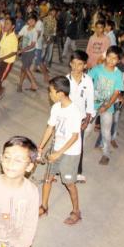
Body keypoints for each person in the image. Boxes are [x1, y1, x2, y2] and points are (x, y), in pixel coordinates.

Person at [38, 76, 83, 225]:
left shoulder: (74, 111)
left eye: (51, 92)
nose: (49, 94)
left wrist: (58, 153)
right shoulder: (56, 107)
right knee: (47, 178)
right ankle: (44, 206)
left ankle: (76, 211)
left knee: (69, 183)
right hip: (56, 147)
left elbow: (74, 137)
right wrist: (41, 146)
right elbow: (50, 128)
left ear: (61, 93)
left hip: (70, 153)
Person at [88, 46, 124, 165]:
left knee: (106, 132)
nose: (111, 60)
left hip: (108, 107)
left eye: (115, 58)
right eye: (109, 57)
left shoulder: (118, 74)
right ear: (106, 56)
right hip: (93, 105)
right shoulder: (97, 69)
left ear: (118, 61)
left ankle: (106, 154)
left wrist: (107, 106)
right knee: (87, 128)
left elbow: (116, 93)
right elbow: (87, 81)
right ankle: (77, 151)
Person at [66, 50, 95, 184]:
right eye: (74, 64)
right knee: (65, 143)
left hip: (81, 119)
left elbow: (90, 101)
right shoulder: (66, 80)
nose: (76, 67)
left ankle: (78, 172)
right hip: (67, 118)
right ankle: (63, 169)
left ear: (85, 66)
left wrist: (87, 120)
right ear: (70, 64)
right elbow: (61, 100)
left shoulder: (88, 80)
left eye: (80, 64)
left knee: (79, 146)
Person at [0, 17, 19, 103]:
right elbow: (0, 47)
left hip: (7, 62)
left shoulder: (14, 38)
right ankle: (1, 88)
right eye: (5, 23)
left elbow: (14, 52)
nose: (5, 25)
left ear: (13, 26)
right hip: (0, 59)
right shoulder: (4, 34)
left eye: (7, 24)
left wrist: (1, 58)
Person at [17, 14, 39, 92]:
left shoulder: (35, 32)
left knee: (25, 68)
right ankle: (21, 84)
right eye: (29, 20)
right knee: (23, 69)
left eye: (33, 21)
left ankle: (33, 83)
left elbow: (32, 45)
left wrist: (22, 50)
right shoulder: (25, 28)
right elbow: (18, 36)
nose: (31, 21)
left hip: (30, 52)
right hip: (24, 52)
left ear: (35, 23)